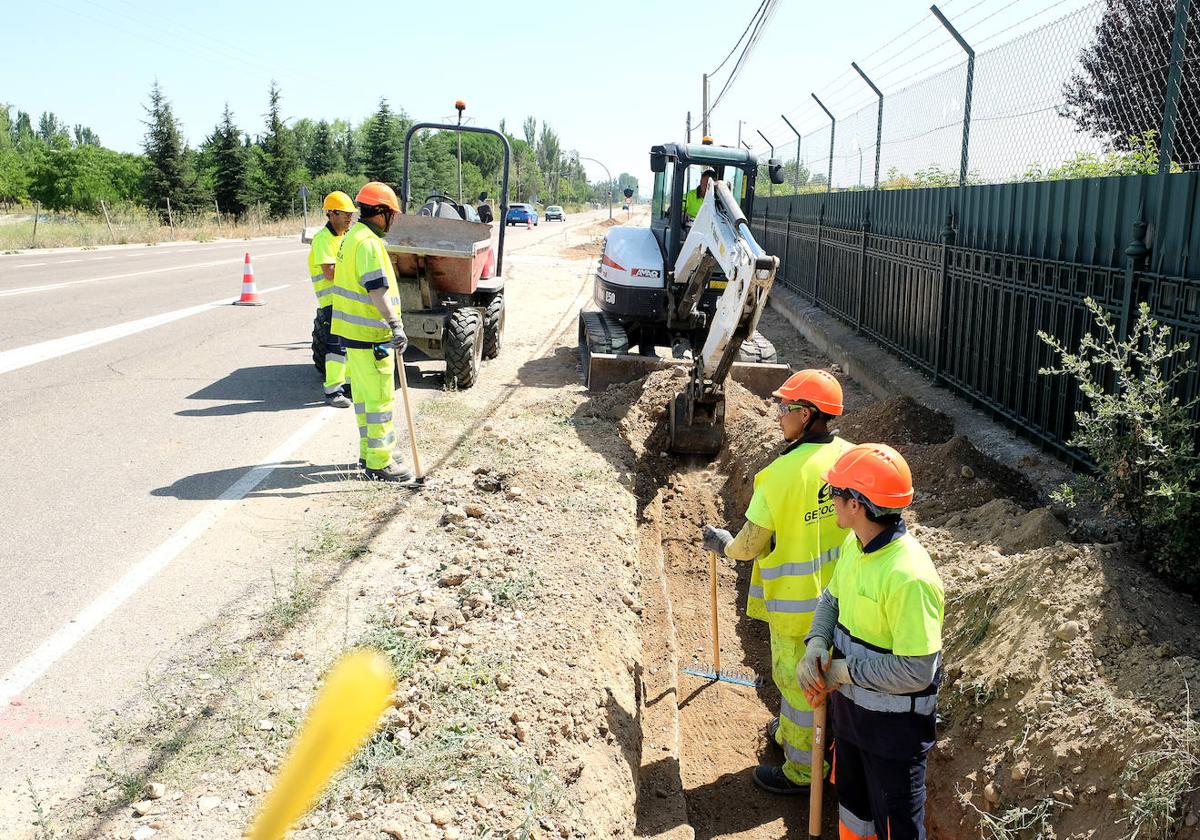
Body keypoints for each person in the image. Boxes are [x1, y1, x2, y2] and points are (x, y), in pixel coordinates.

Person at [700, 369, 853, 794]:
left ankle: (803, 773)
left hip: (799, 605)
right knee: (828, 682)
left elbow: (751, 544)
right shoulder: (849, 458)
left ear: (805, 415)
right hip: (849, 601)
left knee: (797, 682)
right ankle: (792, 734)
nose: (778, 416)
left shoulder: (779, 476)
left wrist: (725, 545)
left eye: (784, 408)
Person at [797, 443, 944, 840]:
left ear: (857, 505)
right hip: (851, 723)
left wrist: (841, 671)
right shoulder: (855, 545)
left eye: (835, 493)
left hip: (893, 741)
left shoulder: (908, 576)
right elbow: (832, 598)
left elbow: (916, 671)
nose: (831, 500)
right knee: (853, 819)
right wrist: (816, 645)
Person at [330, 182, 412, 483]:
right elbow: (376, 290)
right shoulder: (369, 243)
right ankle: (380, 463)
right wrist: (395, 325)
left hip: (353, 335)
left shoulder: (351, 237)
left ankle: (372, 451)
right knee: (379, 401)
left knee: (364, 400)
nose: (393, 220)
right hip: (371, 336)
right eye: (392, 214)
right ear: (380, 212)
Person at [309, 191, 356, 407]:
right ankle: (333, 391)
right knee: (336, 346)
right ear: (332, 214)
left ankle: (345, 386)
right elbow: (329, 272)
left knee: (346, 345)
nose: (350, 218)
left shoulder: (343, 237)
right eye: (345, 214)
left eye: (351, 214)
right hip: (332, 302)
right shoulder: (323, 239)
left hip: (344, 300)